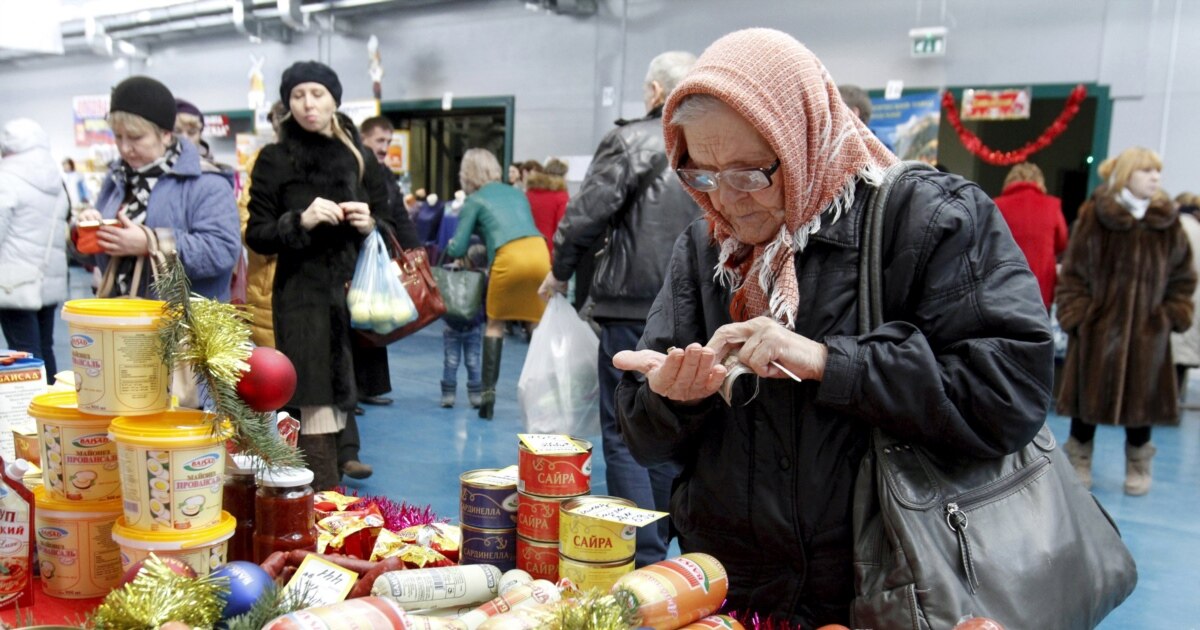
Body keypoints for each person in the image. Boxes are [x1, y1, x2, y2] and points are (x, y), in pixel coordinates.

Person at [612, 29, 1052, 625]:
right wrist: (669, 399)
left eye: (750, 174)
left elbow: (1008, 390)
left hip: (889, 589)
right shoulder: (705, 249)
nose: (729, 203)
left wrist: (830, 362)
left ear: (801, 139)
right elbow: (645, 435)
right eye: (703, 176)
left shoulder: (926, 219)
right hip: (732, 594)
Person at [537, 50, 700, 568]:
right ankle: (678, 544)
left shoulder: (630, 139)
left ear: (654, 92)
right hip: (700, 304)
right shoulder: (712, 142)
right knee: (681, 424)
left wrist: (560, 269)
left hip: (632, 304)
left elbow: (587, 215)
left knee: (626, 429)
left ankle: (644, 553)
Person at [246, 61, 397, 489]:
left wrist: (371, 225)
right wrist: (301, 220)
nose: (308, 104)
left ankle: (325, 504)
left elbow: (388, 219)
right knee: (312, 402)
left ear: (335, 99)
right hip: (301, 298)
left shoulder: (357, 157)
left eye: (317, 94)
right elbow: (257, 234)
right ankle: (318, 502)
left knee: (339, 402)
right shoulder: (274, 158)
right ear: (287, 102)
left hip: (354, 296)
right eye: (298, 95)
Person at [1057, 147, 1196, 496]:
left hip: (1148, 332)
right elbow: (1073, 274)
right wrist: (1081, 317)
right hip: (1098, 331)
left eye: (1158, 173)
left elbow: (1183, 278)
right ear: (1126, 175)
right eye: (1147, 171)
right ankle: (1079, 457)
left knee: (1142, 402)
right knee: (1087, 399)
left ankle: (1138, 463)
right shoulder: (1095, 218)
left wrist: (1169, 317)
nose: (1155, 179)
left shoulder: (1168, 225)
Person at [77, 76, 240, 302]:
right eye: (118, 136)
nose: (125, 147)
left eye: (136, 137)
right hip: (121, 321)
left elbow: (222, 250)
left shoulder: (206, 182)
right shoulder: (118, 177)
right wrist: (86, 232)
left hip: (183, 327)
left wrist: (151, 243)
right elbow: (94, 256)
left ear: (165, 134)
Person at [445, 148, 550, 419]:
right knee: (535, 324)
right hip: (539, 253)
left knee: (495, 323)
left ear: (467, 173)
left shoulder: (474, 200)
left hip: (509, 258)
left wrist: (451, 244)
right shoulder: (517, 193)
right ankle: (544, 397)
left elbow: (457, 249)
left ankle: (487, 400)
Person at [354, 115, 422, 411]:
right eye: (380, 141)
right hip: (358, 253)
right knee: (357, 322)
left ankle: (370, 386)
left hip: (382, 250)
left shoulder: (387, 175)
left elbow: (399, 215)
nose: (384, 148)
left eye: (388, 142)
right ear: (364, 138)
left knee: (376, 320)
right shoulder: (357, 169)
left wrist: (414, 250)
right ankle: (352, 390)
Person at [0, 119, 70, 375]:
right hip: (47, 279)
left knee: (24, 355)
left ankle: (33, 412)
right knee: (44, 348)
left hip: (14, 283)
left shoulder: (6, 179)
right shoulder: (55, 181)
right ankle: (51, 409)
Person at [238, 101, 289, 349]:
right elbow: (247, 229)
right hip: (269, 291)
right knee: (276, 377)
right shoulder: (261, 166)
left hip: (321, 296)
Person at [992, 162, 1068, 310]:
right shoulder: (1052, 206)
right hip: (1041, 288)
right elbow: (1063, 242)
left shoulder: (998, 205)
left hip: (1005, 286)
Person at [1171, 192, 1200, 401]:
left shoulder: (1176, 228)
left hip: (1177, 302)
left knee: (1172, 356)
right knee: (1181, 358)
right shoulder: (1196, 229)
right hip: (1192, 304)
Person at [525, 158, 569, 259]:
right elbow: (562, 227)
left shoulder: (529, 193)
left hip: (526, 249)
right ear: (562, 176)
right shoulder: (561, 196)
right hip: (549, 252)